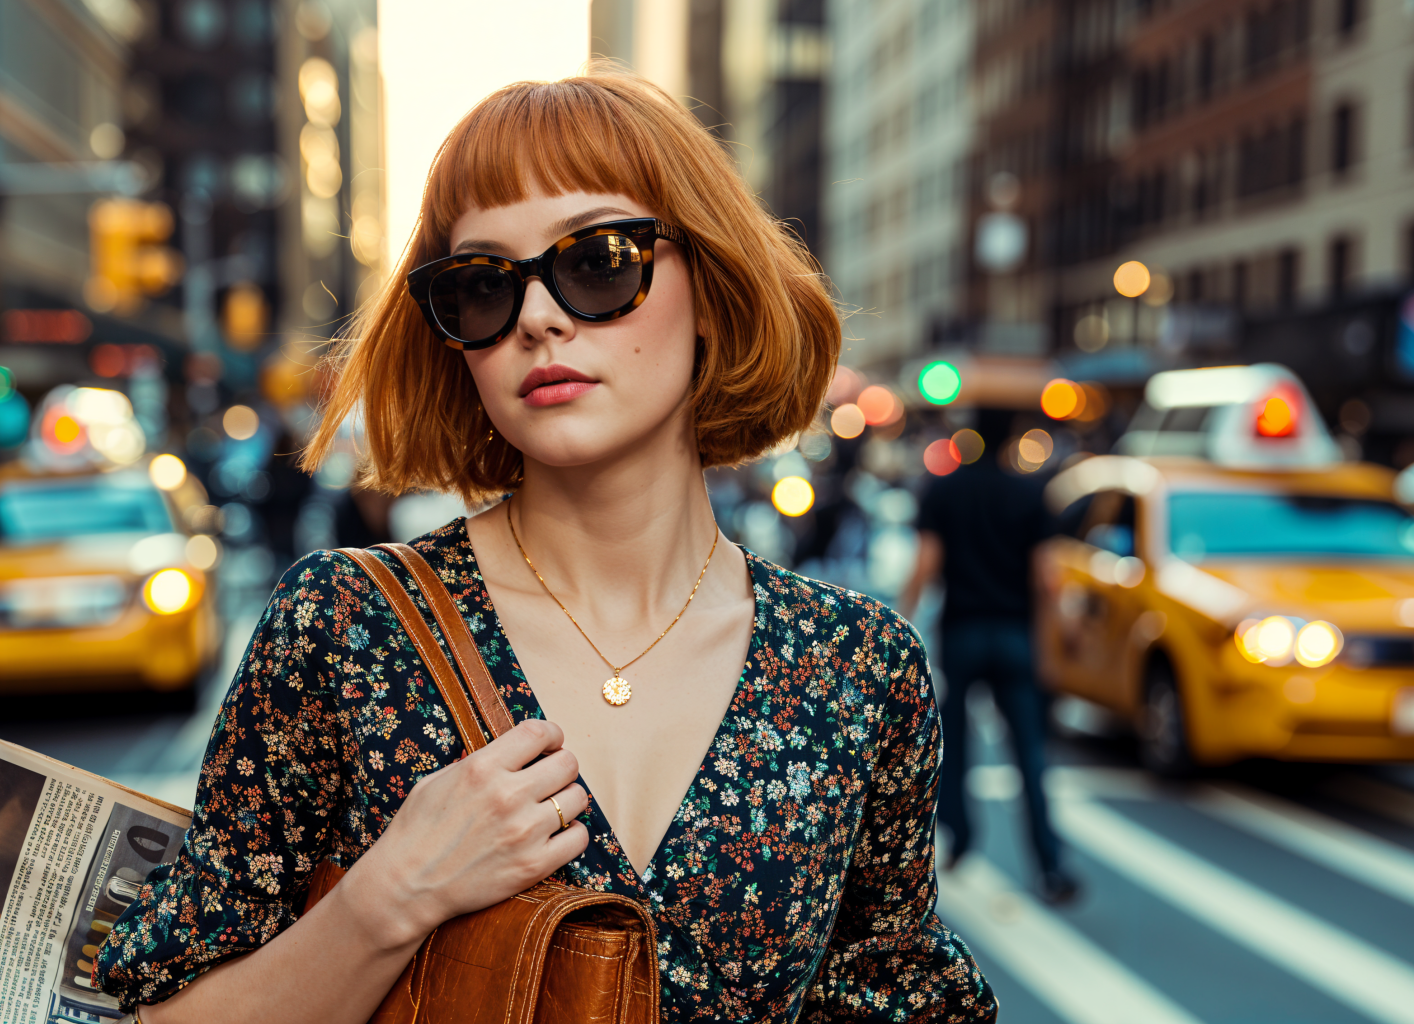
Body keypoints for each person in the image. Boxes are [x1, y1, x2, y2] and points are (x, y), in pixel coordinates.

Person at [97, 71, 994, 1022]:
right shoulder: (342, 628)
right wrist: (388, 897)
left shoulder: (855, 667)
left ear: (714, 290)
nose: (536, 317)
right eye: (482, 286)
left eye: (599, 261)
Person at [898, 408, 1078, 904]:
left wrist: (897, 623)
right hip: (1016, 635)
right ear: (1009, 441)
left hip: (963, 633)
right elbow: (1046, 577)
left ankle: (959, 836)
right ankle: (1049, 865)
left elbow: (926, 565)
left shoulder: (944, 491)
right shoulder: (1029, 493)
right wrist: (1060, 636)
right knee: (1031, 753)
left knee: (953, 746)